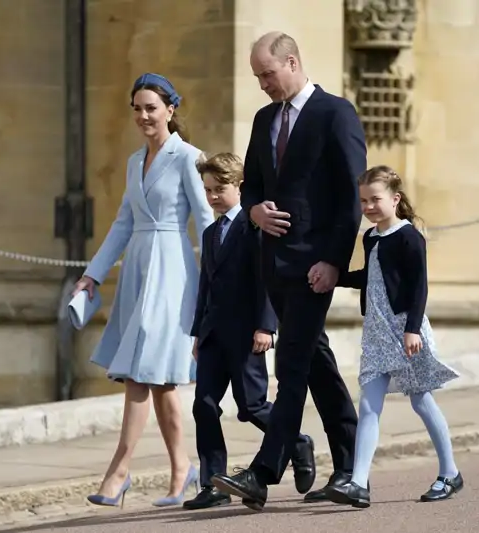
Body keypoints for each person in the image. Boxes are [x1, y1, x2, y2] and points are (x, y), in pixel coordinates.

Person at [210, 32, 363, 511]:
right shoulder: (263, 119)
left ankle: (263, 471)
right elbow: (252, 184)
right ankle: (351, 465)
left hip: (315, 266)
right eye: (257, 77)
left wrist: (334, 261)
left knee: (291, 363)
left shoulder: (335, 113)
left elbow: (349, 196)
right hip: (274, 265)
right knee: (315, 360)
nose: (262, 85)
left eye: (267, 75)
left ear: (292, 62)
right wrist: (252, 212)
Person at [74, 73, 215, 508]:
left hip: (173, 271)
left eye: (150, 107)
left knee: (139, 372)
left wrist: (218, 279)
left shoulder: (190, 158)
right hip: (138, 268)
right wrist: (92, 275)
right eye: (136, 108)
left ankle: (119, 471)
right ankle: (181, 469)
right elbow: (122, 223)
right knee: (160, 381)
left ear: (171, 109)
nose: (143, 115)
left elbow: (207, 220)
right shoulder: (135, 162)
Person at [326, 165, 463, 508]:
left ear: (395, 198)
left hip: (404, 329)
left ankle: (450, 472)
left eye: (375, 199)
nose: (369, 207)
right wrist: (336, 277)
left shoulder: (409, 236)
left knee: (420, 401)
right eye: (363, 201)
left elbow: (419, 286)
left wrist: (412, 328)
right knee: (369, 404)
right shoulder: (371, 237)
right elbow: (371, 277)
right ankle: (358, 483)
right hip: (376, 331)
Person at [184, 152, 315, 510]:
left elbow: (266, 280)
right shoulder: (211, 233)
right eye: (207, 189)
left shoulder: (254, 228)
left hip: (246, 334)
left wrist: (266, 326)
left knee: (253, 406)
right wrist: (197, 333)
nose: (212, 196)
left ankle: (298, 441)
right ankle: (214, 484)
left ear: (240, 187)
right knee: (204, 406)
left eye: (219, 189)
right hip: (212, 335)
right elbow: (204, 288)